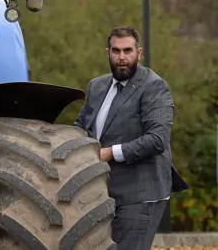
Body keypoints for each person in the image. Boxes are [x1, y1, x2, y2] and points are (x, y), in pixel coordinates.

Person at [74, 26, 189, 250]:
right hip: (100, 192)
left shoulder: (154, 86)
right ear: (108, 53)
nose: (122, 57)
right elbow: (80, 126)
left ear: (139, 53)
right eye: (116, 51)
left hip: (141, 193)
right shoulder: (97, 86)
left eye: (128, 50)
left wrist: (108, 153)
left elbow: (157, 139)